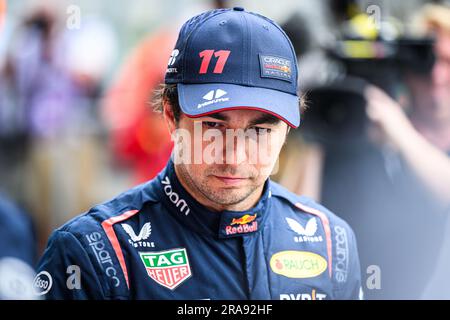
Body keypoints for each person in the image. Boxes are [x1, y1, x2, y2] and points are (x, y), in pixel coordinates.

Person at [35, 7, 361, 300]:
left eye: (260, 131)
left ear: (288, 129)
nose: (234, 157)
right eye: (214, 127)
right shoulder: (92, 253)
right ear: (170, 117)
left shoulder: (332, 242)